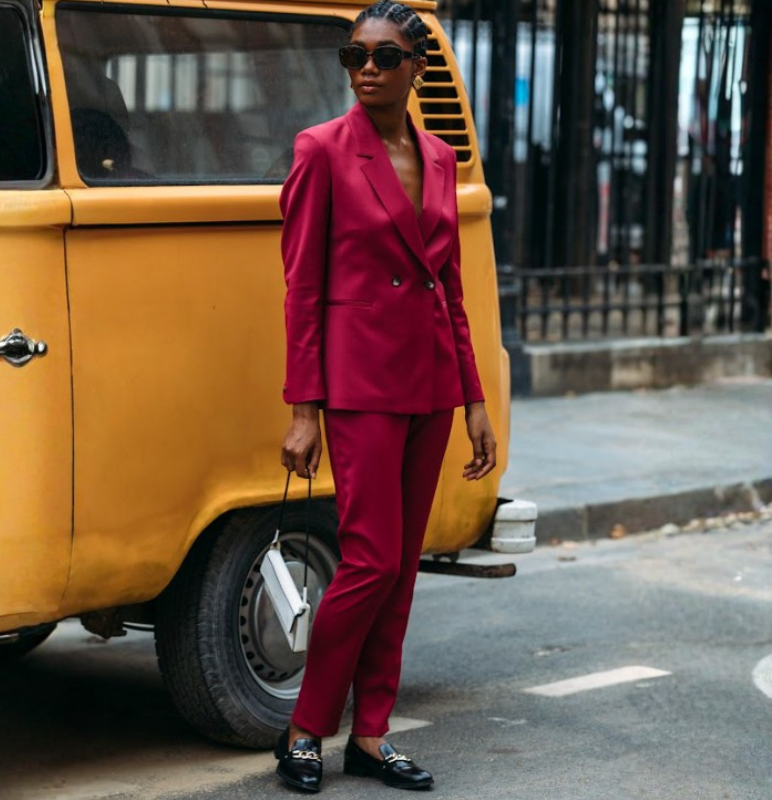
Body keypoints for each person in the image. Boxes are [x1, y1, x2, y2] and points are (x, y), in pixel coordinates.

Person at [277, 1, 496, 793]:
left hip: (431, 383)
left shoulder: (439, 158)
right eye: (353, 55)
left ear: (417, 69)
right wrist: (305, 408)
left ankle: (371, 735)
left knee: (401, 567)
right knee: (368, 559)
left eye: (383, 55)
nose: (366, 67)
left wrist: (473, 398)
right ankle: (306, 728)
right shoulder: (322, 151)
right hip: (360, 385)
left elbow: (452, 289)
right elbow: (301, 289)